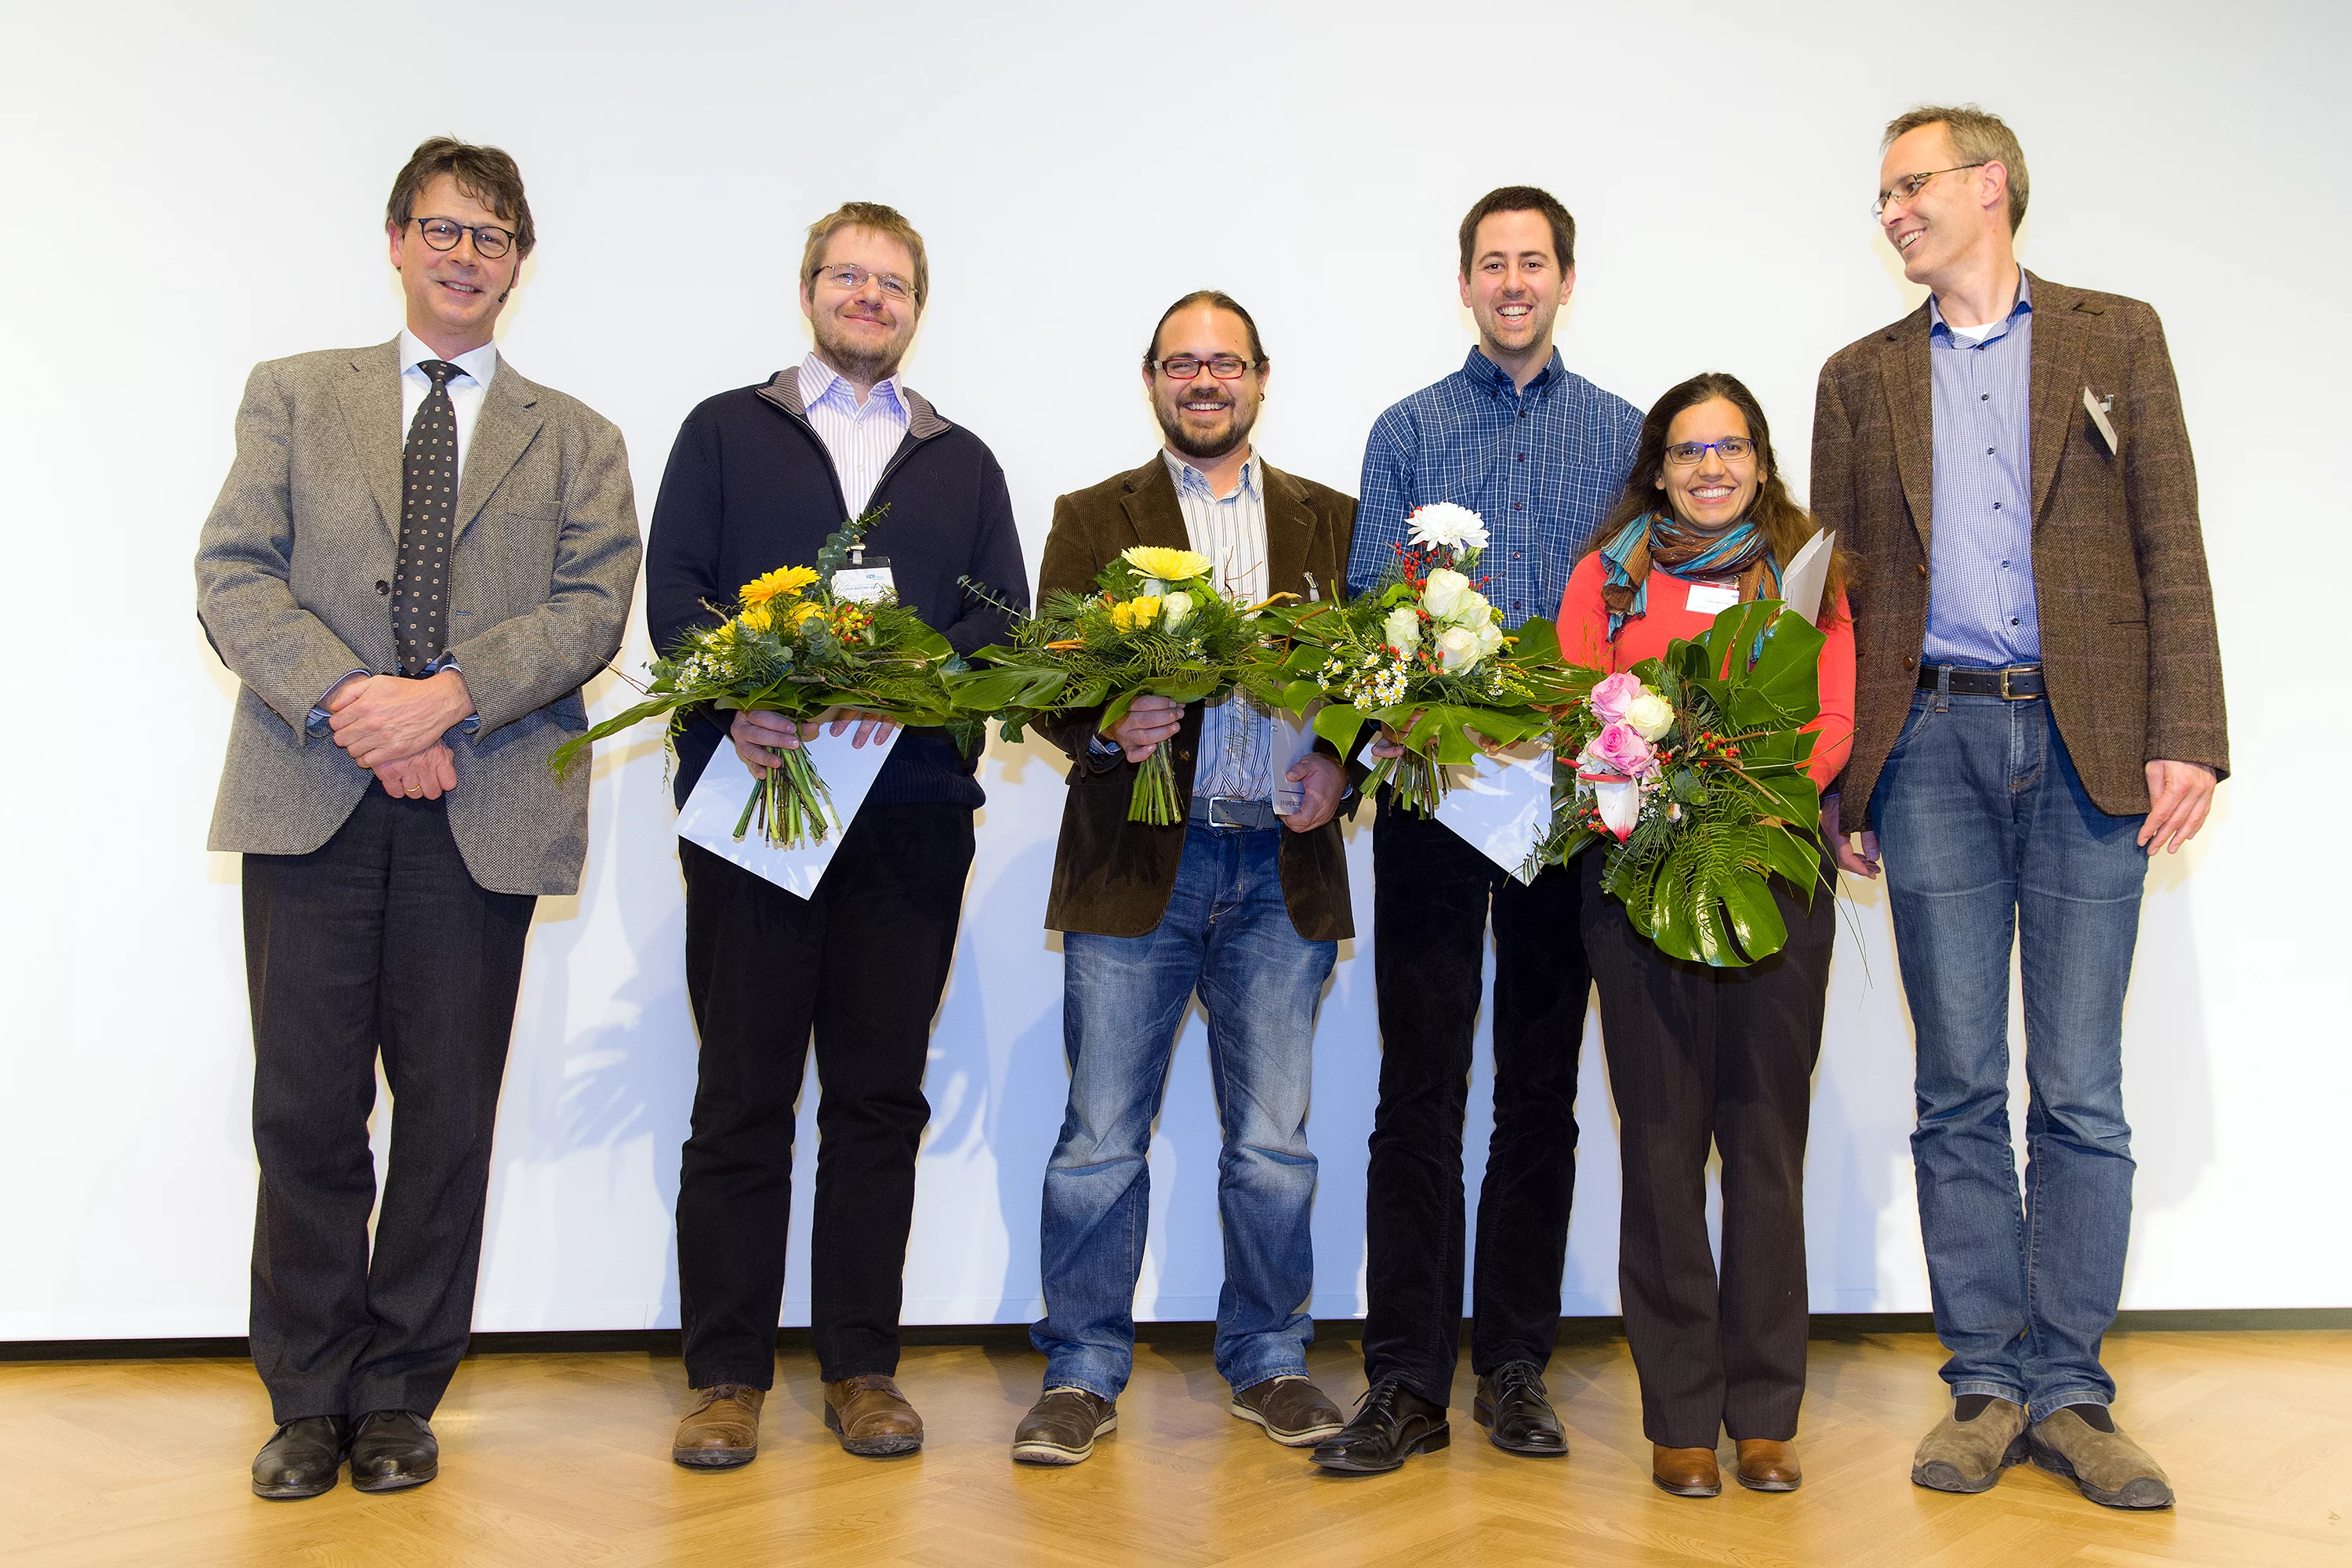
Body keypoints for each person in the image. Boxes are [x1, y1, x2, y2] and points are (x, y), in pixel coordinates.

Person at [194, 138, 642, 1499]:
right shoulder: (292, 396)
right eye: (444, 230)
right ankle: (308, 1393)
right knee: (308, 1112)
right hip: (311, 795)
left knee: (448, 1116)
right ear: (395, 240)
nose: (466, 255)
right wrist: (357, 706)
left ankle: (397, 1394)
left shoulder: (578, 437)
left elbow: (586, 613)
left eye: (493, 237)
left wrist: (444, 700)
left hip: (484, 805)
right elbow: (232, 576)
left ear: (519, 265)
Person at [1812, 105, 2227, 1510]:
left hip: (2092, 739)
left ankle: (2074, 1391)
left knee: (2084, 1088)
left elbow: (2172, 539)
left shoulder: (2119, 337)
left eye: (1911, 186)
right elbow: (1843, 595)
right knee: (1956, 1086)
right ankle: (1985, 1384)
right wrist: (1842, 768)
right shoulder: (1857, 378)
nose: (1893, 212)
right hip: (1925, 744)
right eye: (1882, 196)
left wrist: (2190, 734)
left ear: (1991, 187)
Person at [644, 201, 1028, 1467]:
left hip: (910, 821)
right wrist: (740, 697)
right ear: (808, 289)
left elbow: (999, 627)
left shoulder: (962, 461)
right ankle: (726, 1379)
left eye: (893, 283)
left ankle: (862, 1368)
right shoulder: (723, 430)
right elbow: (676, 597)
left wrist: (914, 690)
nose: (870, 299)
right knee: (742, 1095)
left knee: (877, 1101)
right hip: (756, 803)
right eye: (848, 277)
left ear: (919, 306)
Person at [1314, 187, 1642, 1474]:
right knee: (1418, 1091)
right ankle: (1402, 1379)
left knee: (1540, 1096)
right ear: (1463, 284)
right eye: (1492, 264)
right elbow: (1359, 610)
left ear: (1568, 279)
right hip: (1434, 801)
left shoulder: (1622, 434)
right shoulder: (1407, 429)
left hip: (1562, 807)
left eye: (1535, 262)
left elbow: (1628, 612)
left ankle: (1514, 1366)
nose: (1514, 282)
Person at [1011, 292, 1358, 1466]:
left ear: (1263, 378)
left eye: (1226, 364)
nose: (1204, 381)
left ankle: (1270, 1358)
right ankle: (1082, 1369)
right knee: (1100, 1136)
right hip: (1135, 867)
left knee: (1273, 1144)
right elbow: (1043, 680)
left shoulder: (1333, 522)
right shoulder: (1088, 516)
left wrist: (1338, 774)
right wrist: (1112, 720)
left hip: (1278, 862)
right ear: (1151, 379)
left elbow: (1372, 678)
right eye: (1181, 364)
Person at [1557, 373, 1853, 1497]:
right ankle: (1681, 1415)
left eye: (1731, 448)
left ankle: (1766, 1412)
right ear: (1658, 468)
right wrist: (1661, 799)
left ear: (1763, 462)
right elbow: (1581, 703)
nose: (1711, 468)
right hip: (1638, 880)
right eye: (1689, 452)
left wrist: (1731, 798)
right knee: (1664, 1148)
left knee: (1767, 1147)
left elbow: (1831, 721)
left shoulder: (1810, 571)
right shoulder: (1609, 575)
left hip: (1772, 873)